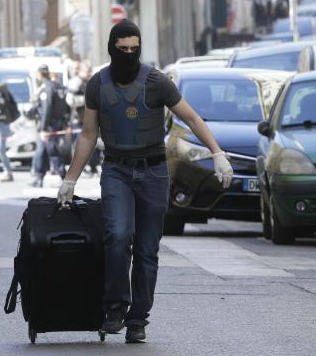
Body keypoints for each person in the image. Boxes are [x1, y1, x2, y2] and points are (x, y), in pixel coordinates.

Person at [56, 19, 234, 344]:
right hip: (116, 170)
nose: (128, 54)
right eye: (122, 49)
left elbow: (191, 118)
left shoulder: (156, 82)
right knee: (117, 235)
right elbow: (87, 134)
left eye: (133, 49)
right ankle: (114, 309)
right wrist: (70, 180)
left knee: (148, 250)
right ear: (112, 49)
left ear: (139, 49)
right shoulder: (97, 85)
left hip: (153, 172)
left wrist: (217, 153)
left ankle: (138, 319)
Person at [27, 64, 70, 187]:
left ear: (40, 74)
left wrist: (44, 128)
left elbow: (46, 109)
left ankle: (64, 176)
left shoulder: (47, 88)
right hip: (57, 123)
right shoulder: (58, 86)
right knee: (42, 150)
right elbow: (66, 107)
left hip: (49, 125)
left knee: (52, 151)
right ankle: (39, 177)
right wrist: (65, 122)